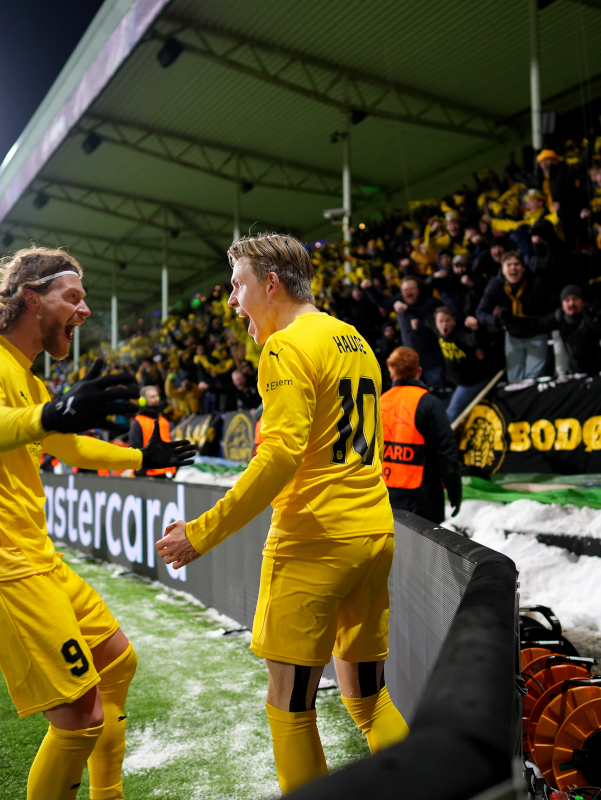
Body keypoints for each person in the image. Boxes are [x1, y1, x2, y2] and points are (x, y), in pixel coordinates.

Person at [0, 247, 196, 800]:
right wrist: (52, 413)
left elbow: (64, 442)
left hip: (34, 559)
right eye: (73, 297)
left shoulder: (27, 378)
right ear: (31, 298)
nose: (85, 310)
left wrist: (143, 459)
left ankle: (107, 794)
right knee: (80, 717)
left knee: (117, 661)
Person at [156, 233, 409, 794]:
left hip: (313, 541)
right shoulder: (354, 340)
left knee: (290, 706)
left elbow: (280, 455)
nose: (231, 301)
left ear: (270, 284)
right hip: (371, 533)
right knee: (369, 702)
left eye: (237, 286)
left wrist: (201, 532)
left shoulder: (285, 346)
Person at [379, 347, 462, 525]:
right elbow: (446, 452)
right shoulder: (429, 403)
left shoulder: (379, 402)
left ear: (392, 374)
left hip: (384, 494)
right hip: (423, 499)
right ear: (419, 372)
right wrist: (454, 490)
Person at [475, 251, 556, 382]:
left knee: (533, 378)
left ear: (523, 268)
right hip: (513, 336)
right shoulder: (495, 285)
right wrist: (497, 322)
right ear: (503, 269)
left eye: (517, 264)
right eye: (509, 265)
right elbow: (481, 312)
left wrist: (543, 322)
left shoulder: (537, 282)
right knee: (515, 380)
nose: (513, 268)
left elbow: (554, 305)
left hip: (536, 334)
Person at [434, 306, 492, 422]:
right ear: (436, 323)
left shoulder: (459, 334)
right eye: (441, 321)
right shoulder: (438, 330)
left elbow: (473, 340)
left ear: (453, 321)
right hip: (458, 381)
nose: (444, 325)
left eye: (447, 321)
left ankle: (447, 440)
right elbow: (424, 316)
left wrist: (475, 328)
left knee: (450, 416)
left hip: (472, 382)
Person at [128, 385, 176, 478]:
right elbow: (135, 448)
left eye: (157, 396)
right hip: (147, 474)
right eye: (152, 397)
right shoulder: (138, 422)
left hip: (166, 473)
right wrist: (141, 472)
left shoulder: (164, 422)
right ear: (143, 401)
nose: (156, 399)